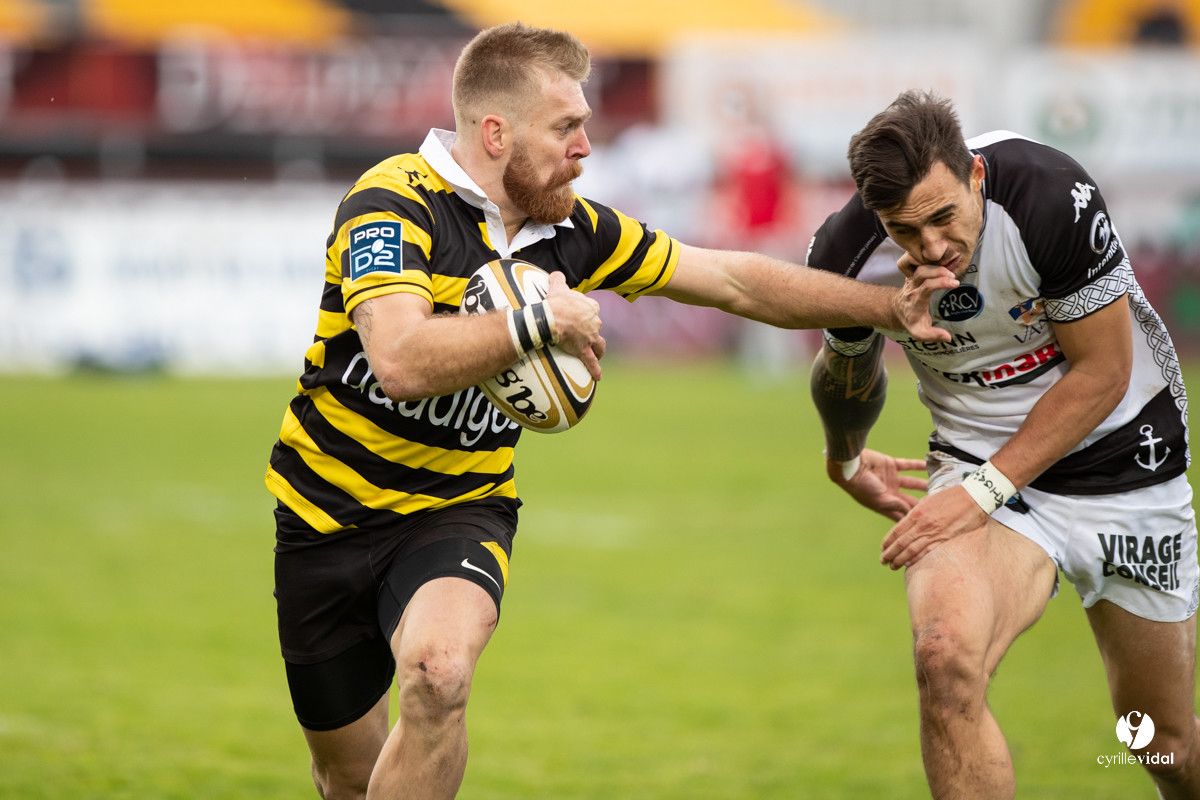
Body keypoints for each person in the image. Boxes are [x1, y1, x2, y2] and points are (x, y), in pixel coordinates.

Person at [265, 23, 953, 800]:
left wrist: (887, 307)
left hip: (455, 508)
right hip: (323, 516)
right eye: (566, 128)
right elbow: (398, 360)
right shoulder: (392, 203)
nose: (586, 147)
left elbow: (733, 280)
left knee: (439, 673)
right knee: (345, 776)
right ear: (497, 133)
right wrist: (540, 323)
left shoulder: (576, 231)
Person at [807, 88, 1200, 799]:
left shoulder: (1049, 196)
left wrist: (985, 492)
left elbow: (1103, 374)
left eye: (943, 217)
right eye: (904, 229)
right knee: (944, 660)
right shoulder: (845, 252)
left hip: (1126, 462)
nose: (931, 248)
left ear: (976, 178)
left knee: (1162, 742)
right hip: (977, 466)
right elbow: (844, 366)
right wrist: (844, 454)